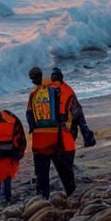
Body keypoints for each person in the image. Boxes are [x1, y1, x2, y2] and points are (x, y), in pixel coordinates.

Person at [26, 67, 76, 199]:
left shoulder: (33, 94)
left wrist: (32, 128)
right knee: (63, 168)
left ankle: (44, 197)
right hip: (55, 135)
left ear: (33, 79)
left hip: (40, 138)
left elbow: (29, 115)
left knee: (42, 171)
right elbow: (64, 109)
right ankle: (72, 193)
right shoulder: (54, 89)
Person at [0, 108, 26, 205]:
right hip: (7, 154)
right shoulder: (0, 123)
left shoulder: (12, 122)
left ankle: (4, 198)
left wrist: (19, 153)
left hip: (7, 154)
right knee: (4, 175)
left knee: (5, 176)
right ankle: (2, 196)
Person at [50, 68, 96, 148]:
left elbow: (56, 106)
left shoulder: (54, 90)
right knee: (82, 126)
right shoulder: (66, 86)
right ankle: (89, 141)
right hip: (77, 109)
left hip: (67, 113)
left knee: (70, 130)